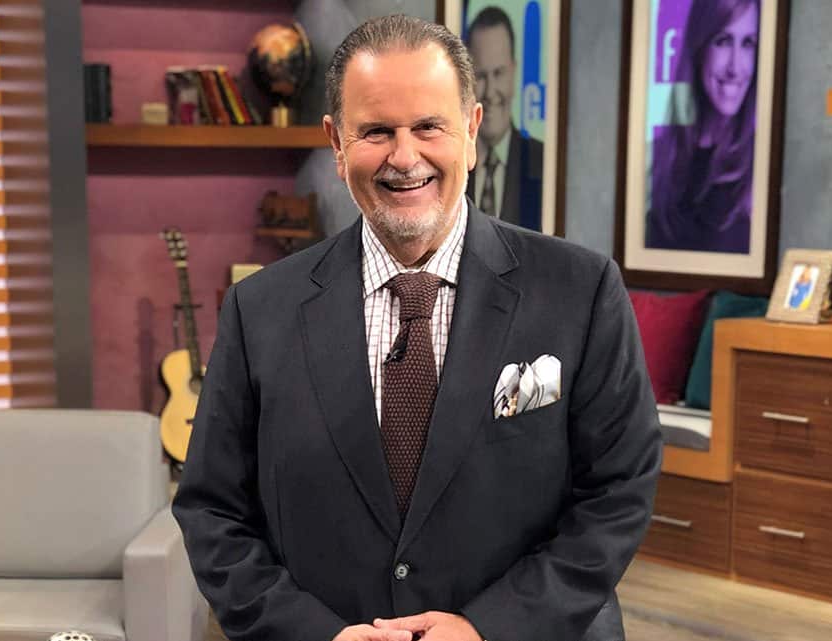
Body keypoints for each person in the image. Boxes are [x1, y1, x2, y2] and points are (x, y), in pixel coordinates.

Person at [172, 14, 661, 641]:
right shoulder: (257, 310)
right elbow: (212, 511)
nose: (405, 158)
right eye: (376, 131)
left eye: (429, 126)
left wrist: (488, 628)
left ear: (472, 130)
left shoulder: (581, 291)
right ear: (336, 142)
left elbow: (618, 490)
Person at [646, 0, 760, 253]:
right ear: (699, 47)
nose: (735, 68)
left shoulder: (761, 167)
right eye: (723, 41)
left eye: (748, 44)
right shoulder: (655, 160)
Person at [464, 6, 545, 230]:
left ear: (513, 73)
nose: (490, 92)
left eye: (498, 73)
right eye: (481, 76)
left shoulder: (542, 162)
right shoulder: (450, 164)